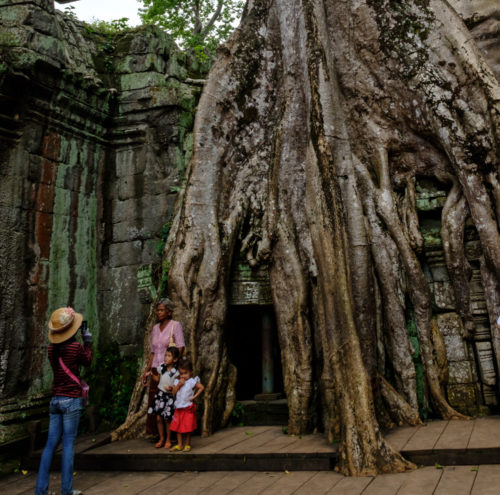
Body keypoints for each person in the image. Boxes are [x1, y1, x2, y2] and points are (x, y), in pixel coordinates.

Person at [35, 307, 92, 495]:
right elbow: (87, 360)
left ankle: (40, 491)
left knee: (50, 445)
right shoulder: (75, 347)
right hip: (71, 401)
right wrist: (87, 341)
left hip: (55, 400)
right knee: (68, 444)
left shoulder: (52, 349)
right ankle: (66, 491)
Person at [142, 298, 185, 436]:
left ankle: (171, 434)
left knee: (169, 400)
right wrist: (147, 370)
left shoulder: (175, 325)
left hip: (169, 371)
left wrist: (174, 365)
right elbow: (153, 352)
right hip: (156, 368)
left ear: (169, 312)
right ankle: (156, 434)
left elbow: (180, 346)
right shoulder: (155, 328)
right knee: (156, 400)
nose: (158, 313)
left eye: (161, 310)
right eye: (157, 310)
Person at [147, 346, 180, 448]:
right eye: (165, 355)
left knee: (167, 419)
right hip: (159, 395)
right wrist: (152, 375)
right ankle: (161, 438)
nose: (165, 357)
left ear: (175, 359)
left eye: (169, 356)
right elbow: (158, 380)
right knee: (158, 418)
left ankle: (168, 440)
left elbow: (176, 388)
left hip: (169, 397)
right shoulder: (161, 367)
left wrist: (172, 388)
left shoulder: (176, 373)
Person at [169, 359, 204, 452]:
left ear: (190, 372)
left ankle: (187, 444)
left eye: (185, 373)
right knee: (178, 427)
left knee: (188, 427)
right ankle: (180, 444)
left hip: (188, 408)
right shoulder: (177, 381)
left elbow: (201, 387)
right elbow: (173, 392)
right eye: (181, 373)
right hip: (178, 408)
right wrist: (179, 385)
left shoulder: (192, 381)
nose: (183, 376)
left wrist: (194, 397)